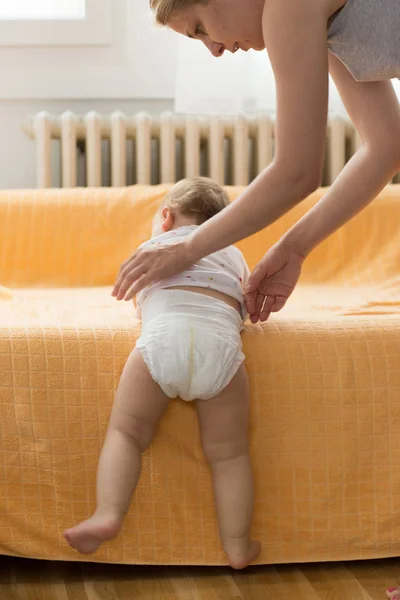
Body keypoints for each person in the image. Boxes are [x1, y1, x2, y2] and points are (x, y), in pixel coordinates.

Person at [112, 0, 400, 323]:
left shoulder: (287, 7)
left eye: (200, 28)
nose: (214, 50)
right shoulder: (318, 22)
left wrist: (186, 249)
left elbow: (296, 172)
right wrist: (295, 247)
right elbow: (387, 145)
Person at [64, 177, 261, 569]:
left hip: (162, 341)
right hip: (219, 348)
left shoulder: (153, 248)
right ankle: (237, 544)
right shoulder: (233, 253)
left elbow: (137, 296)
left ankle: (108, 513)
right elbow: (243, 300)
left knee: (126, 433)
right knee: (229, 454)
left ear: (166, 218)